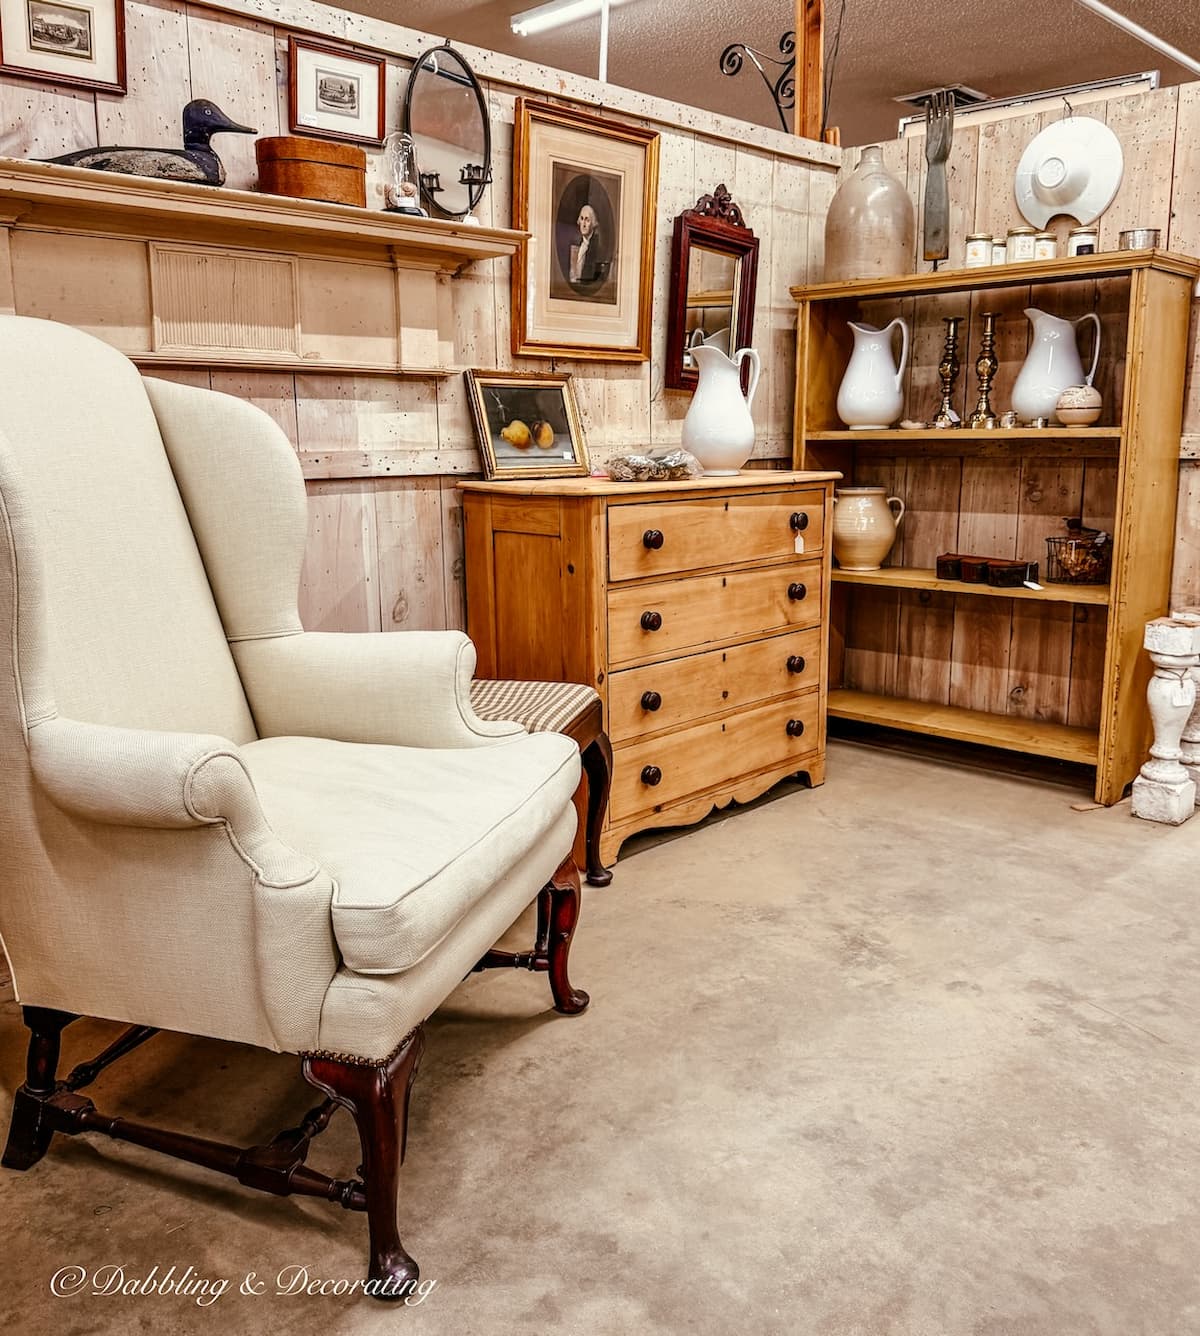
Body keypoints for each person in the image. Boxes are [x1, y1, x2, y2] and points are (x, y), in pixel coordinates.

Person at [568, 203, 610, 288]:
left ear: (593, 223)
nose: (583, 224)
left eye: (587, 220)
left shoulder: (598, 248)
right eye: (582, 219)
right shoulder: (576, 245)